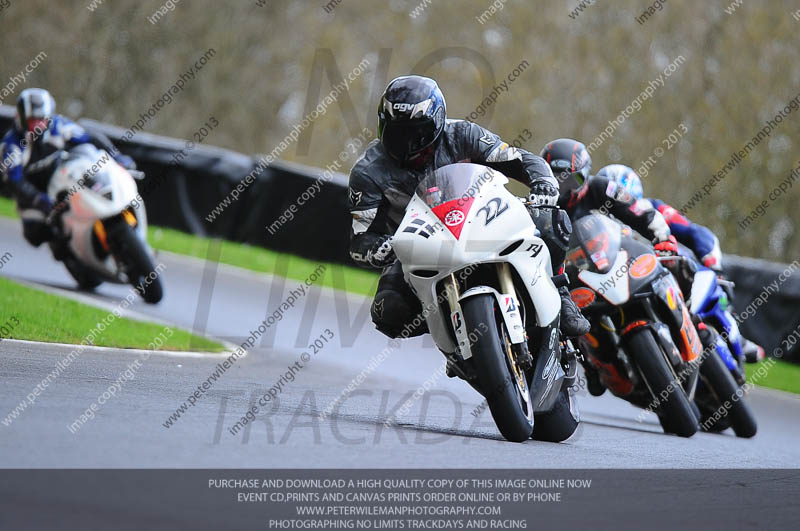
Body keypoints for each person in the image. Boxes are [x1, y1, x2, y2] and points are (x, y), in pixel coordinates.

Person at [348, 75, 590, 344]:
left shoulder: (463, 134)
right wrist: (380, 248)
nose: (406, 143)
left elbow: (517, 158)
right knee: (388, 312)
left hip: (482, 220)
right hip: (423, 248)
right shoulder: (367, 172)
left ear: (437, 121)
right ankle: (449, 325)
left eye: (416, 132)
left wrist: (542, 182)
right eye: (397, 132)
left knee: (552, 221)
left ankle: (562, 294)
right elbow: (360, 239)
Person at [596, 163, 765, 363]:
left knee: (703, 278)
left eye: (624, 198)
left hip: (669, 279)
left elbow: (696, 233)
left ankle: (732, 334)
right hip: (622, 290)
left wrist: (714, 267)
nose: (619, 206)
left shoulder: (652, 210)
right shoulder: (597, 228)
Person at [1, 88, 135, 250]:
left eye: (40, 120)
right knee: (35, 235)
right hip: (36, 193)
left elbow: (90, 138)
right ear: (21, 118)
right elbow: (14, 181)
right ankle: (67, 251)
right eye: (32, 120)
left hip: (63, 182)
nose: (37, 126)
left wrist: (117, 156)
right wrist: (38, 199)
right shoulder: (11, 146)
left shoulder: (58, 126)